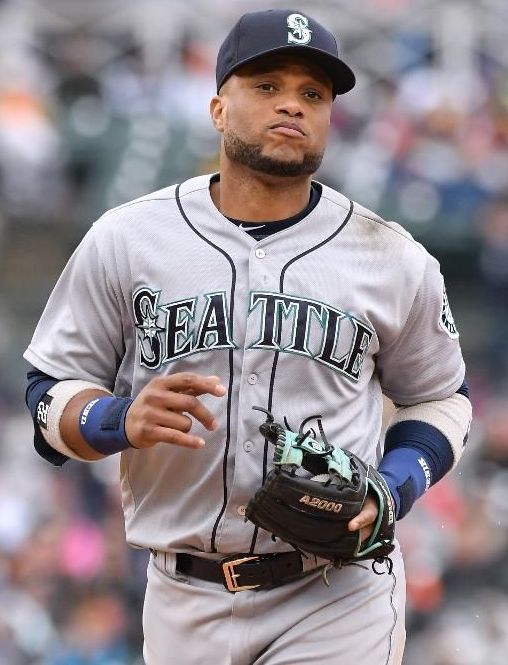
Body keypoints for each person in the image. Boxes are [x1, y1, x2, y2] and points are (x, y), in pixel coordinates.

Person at [24, 9, 472, 665]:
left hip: (335, 592)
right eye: (267, 85)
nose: (292, 104)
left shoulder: (392, 257)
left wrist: (396, 485)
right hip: (182, 594)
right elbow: (47, 389)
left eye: (313, 93)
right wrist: (117, 418)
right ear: (217, 108)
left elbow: (441, 397)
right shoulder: (127, 238)